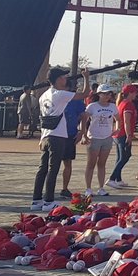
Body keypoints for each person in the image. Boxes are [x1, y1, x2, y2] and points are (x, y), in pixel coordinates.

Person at [31, 68, 90, 211]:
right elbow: (85, 94)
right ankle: (48, 201)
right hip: (57, 135)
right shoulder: (60, 94)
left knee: (42, 169)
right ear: (58, 79)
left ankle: (36, 200)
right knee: (53, 169)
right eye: (64, 77)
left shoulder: (43, 95)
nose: (66, 80)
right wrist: (86, 78)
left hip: (45, 135)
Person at [81, 85, 119, 196]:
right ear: (99, 94)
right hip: (94, 137)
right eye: (104, 93)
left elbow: (118, 119)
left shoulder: (112, 106)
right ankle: (88, 188)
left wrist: (117, 129)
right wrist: (83, 134)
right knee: (91, 163)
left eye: (109, 93)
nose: (107, 96)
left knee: (102, 163)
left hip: (107, 137)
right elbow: (84, 119)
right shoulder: (92, 106)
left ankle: (101, 187)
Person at [61, 82, 89, 199]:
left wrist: (82, 132)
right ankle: (48, 188)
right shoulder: (57, 97)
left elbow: (84, 116)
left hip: (70, 134)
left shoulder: (76, 101)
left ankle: (64, 188)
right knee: (52, 164)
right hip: (55, 135)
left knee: (67, 162)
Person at [106, 85, 138, 189]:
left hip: (118, 134)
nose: (136, 94)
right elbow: (126, 121)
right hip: (123, 134)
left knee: (120, 157)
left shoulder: (121, 103)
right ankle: (111, 178)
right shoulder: (128, 104)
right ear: (130, 93)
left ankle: (118, 179)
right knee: (125, 156)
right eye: (134, 92)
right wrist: (129, 135)